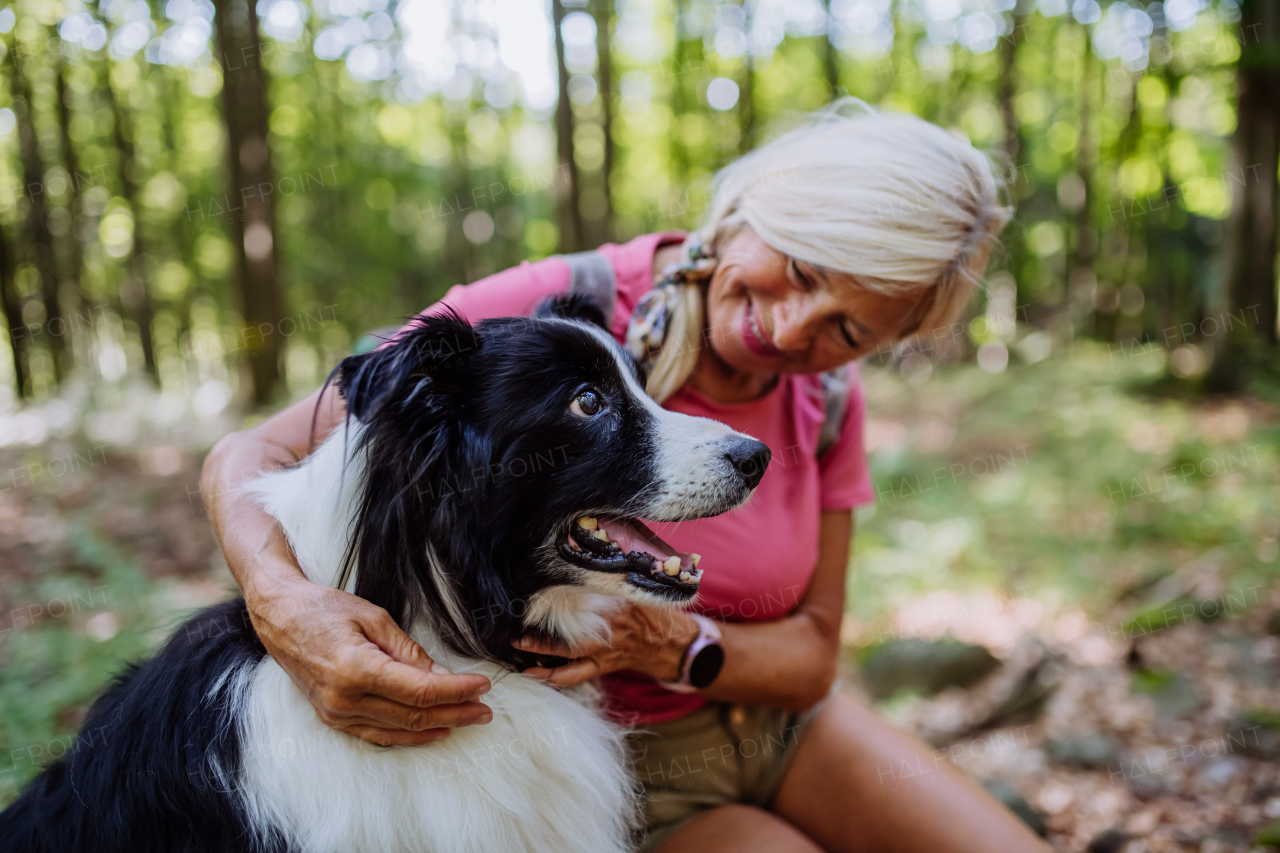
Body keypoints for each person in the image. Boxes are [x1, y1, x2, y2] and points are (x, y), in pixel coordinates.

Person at [202, 101, 1049, 853]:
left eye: (850, 330)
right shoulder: (559, 301)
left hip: (783, 725)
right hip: (630, 760)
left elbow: (813, 655)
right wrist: (281, 602)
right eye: (801, 270)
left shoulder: (826, 398)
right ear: (760, 207)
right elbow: (251, 454)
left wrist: (670, 643)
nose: (794, 329)